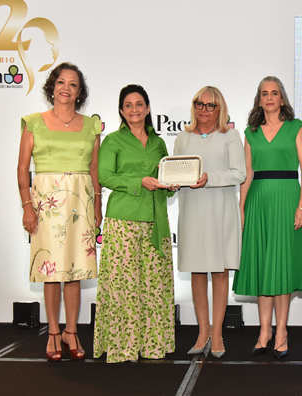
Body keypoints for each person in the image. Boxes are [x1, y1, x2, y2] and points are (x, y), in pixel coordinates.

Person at [17, 62, 101, 361]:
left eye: (73, 84)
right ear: (52, 86)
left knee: (75, 272)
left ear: (80, 92)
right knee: (51, 272)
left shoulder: (92, 125)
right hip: (46, 204)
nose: (66, 88)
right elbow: (22, 168)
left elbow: (93, 170)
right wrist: (28, 207)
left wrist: (97, 208)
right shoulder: (33, 122)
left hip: (80, 201)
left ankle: (71, 330)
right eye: (61, 82)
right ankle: (53, 331)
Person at [93, 84, 178, 363]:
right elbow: (105, 176)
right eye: (128, 105)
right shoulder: (113, 141)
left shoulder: (159, 143)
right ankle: (124, 346)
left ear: (148, 108)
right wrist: (137, 182)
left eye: (139, 104)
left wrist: (173, 185)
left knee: (155, 286)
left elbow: (164, 179)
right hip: (123, 219)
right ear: (121, 110)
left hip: (156, 221)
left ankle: (153, 345)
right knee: (124, 287)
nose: (134, 109)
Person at [233, 76, 302, 359]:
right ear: (259, 99)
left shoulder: (296, 128)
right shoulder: (251, 132)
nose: (269, 98)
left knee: (281, 269)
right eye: (264, 93)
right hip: (258, 201)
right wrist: (241, 208)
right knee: (263, 268)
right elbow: (248, 174)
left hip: (287, 200)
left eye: (274, 93)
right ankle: (264, 331)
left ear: (282, 99)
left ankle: (282, 332)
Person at [174, 86, 246, 359]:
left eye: (210, 105)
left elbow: (239, 173)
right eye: (199, 104)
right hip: (192, 211)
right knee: (196, 272)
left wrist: (209, 178)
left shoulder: (230, 135)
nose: (203, 109)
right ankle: (202, 331)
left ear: (220, 109)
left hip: (219, 211)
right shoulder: (182, 137)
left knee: (218, 273)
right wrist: (171, 184)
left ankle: (217, 335)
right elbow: (175, 170)